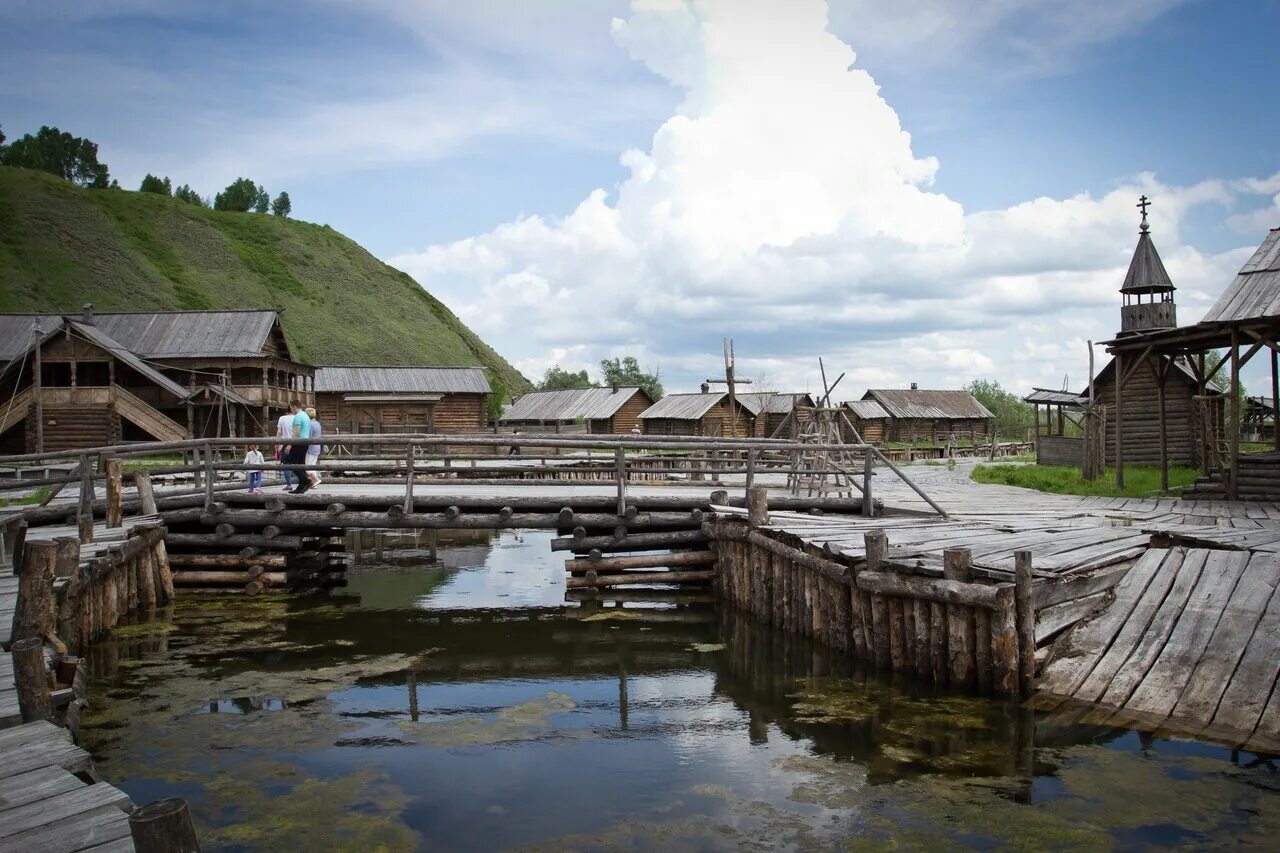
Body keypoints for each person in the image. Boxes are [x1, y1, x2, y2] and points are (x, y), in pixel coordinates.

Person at [285, 400, 312, 494]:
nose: (290, 409)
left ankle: (306, 481)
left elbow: (296, 431)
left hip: (298, 443)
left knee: (293, 463)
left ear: (295, 406)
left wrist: (289, 444)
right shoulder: (306, 415)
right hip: (305, 442)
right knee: (301, 464)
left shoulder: (298, 416)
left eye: (291, 407)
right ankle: (301, 486)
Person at [275, 408, 295, 490]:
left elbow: (279, 432)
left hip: (285, 442)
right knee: (299, 463)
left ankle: (289, 484)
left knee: (286, 464)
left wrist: (277, 442)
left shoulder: (282, 418)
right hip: (297, 442)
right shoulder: (297, 417)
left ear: (286, 412)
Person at [305, 407, 323, 488]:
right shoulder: (317, 423)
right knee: (312, 466)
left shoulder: (310, 424)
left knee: (307, 466)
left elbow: (309, 436)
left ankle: (316, 480)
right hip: (317, 447)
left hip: (311, 447)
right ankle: (314, 484)